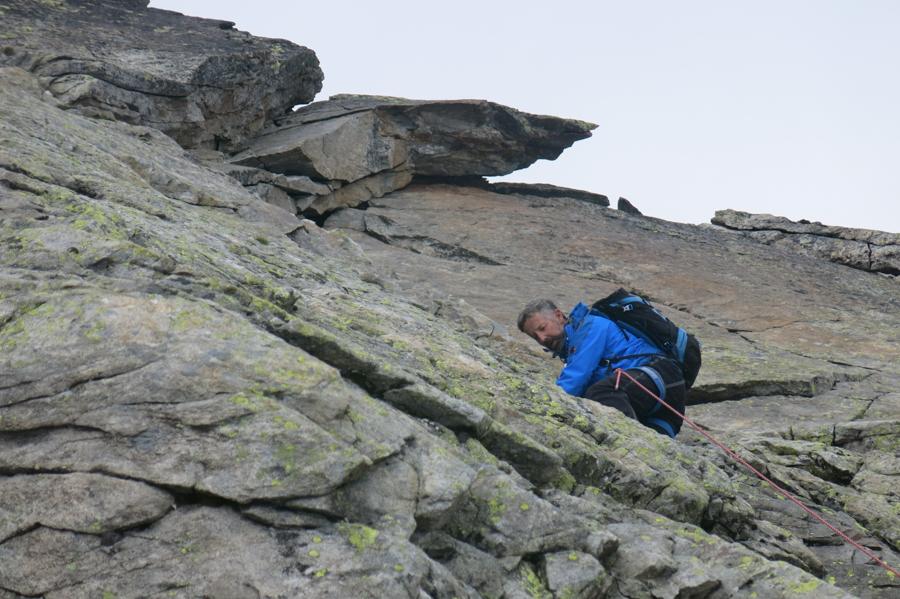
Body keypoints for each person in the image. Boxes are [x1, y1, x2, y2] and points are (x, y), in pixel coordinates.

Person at [517, 298, 686, 437]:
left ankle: (628, 439)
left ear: (559, 315)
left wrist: (543, 407)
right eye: (535, 336)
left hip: (659, 375)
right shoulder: (573, 348)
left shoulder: (591, 327)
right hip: (665, 407)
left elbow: (574, 381)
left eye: (542, 328)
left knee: (601, 393)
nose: (541, 338)